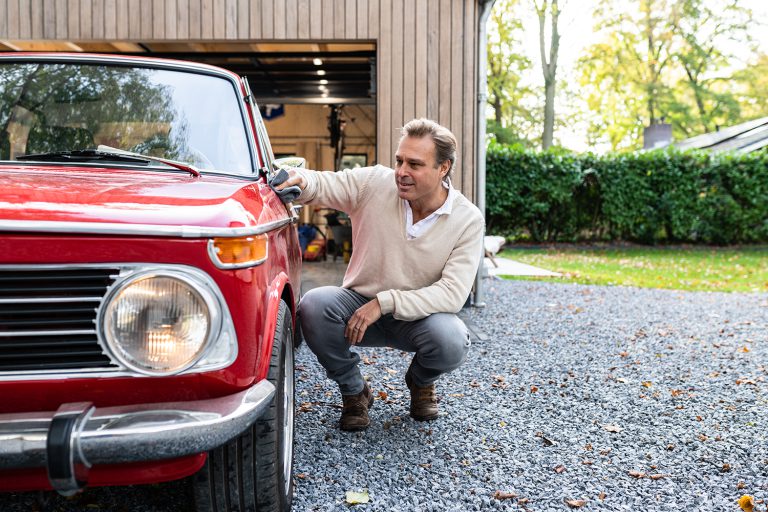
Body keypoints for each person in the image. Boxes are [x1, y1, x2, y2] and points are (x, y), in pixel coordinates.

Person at [272, 118, 484, 431]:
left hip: (419, 318)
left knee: (452, 339)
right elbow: (323, 183)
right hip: (357, 305)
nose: (402, 171)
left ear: (443, 168)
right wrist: (299, 179)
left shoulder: (467, 219)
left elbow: (452, 294)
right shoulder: (374, 183)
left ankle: (421, 382)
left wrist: (384, 303)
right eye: (399, 160)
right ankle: (354, 391)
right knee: (313, 306)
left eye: (415, 164)